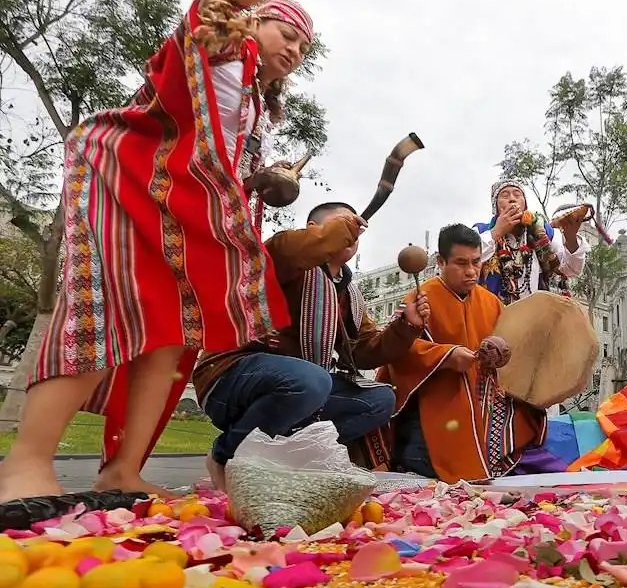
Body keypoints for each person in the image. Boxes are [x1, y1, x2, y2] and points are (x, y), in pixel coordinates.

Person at [0, 0, 317, 503]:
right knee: (104, 312)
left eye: (303, 47)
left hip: (181, 216)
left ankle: (123, 469)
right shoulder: (224, 46)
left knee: (171, 339)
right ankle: (24, 464)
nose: (295, 50)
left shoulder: (255, 103)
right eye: (287, 34)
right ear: (255, 21)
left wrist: (261, 180)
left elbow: (213, 165)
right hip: (128, 186)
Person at [192, 203, 431, 491]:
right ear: (312, 230)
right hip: (231, 377)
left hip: (301, 389)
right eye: (342, 223)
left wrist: (406, 327)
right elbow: (290, 250)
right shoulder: (283, 257)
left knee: (378, 400)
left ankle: (291, 459)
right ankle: (225, 455)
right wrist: (333, 236)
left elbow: (364, 351)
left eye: (353, 226)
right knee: (312, 381)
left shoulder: (349, 294)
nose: (352, 230)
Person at [353, 224, 547, 481]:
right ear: (441, 262)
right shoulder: (418, 299)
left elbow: (511, 346)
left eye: (476, 262)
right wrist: (445, 356)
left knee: (529, 414)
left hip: (482, 392)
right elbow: (396, 352)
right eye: (461, 263)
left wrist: (501, 354)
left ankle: (491, 462)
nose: (471, 271)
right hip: (433, 392)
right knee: (432, 451)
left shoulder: (491, 302)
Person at [474, 180, 588, 306]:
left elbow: (570, 269)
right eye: (505, 195)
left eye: (517, 195)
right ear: (495, 206)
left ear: (525, 205)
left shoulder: (543, 231)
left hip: (534, 314)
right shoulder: (481, 231)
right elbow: (467, 258)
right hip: (490, 313)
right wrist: (496, 232)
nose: (512, 199)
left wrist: (571, 238)